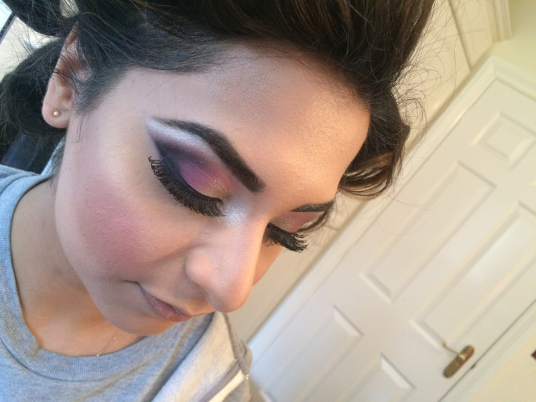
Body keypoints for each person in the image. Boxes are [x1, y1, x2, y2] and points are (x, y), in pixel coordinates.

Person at [0, 0, 435, 400]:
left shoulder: (207, 385)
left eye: (284, 231)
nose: (232, 290)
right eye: (193, 185)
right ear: (72, 78)